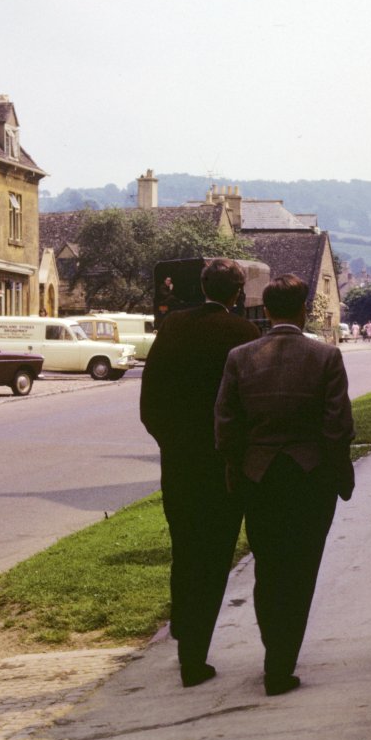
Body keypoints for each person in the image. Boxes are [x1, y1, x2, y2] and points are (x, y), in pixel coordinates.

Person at [215, 274, 355, 696]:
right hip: (309, 476)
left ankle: (273, 647)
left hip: (260, 475)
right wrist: (335, 470)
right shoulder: (326, 356)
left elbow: (225, 424)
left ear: (267, 309)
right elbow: (338, 425)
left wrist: (237, 467)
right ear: (303, 309)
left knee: (268, 566)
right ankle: (282, 660)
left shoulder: (240, 357)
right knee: (301, 568)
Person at [139, 259, 261, 687]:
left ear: (204, 285)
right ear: (237, 293)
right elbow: (250, 403)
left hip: (179, 461)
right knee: (214, 556)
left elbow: (150, 399)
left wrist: (169, 442)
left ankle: (184, 630)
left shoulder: (172, 328)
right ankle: (195, 655)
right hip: (224, 463)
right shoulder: (245, 334)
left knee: (185, 547)